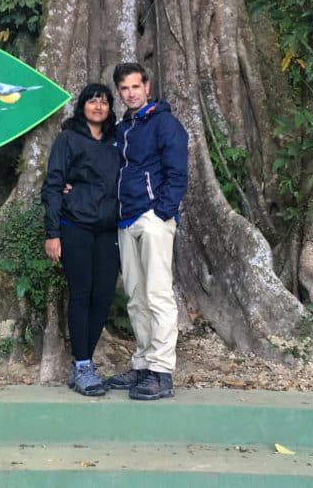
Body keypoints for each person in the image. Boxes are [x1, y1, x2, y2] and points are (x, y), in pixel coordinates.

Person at [105, 60, 188, 402]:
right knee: (136, 297)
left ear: (147, 87)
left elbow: (178, 172)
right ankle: (143, 363)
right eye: (124, 89)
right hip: (126, 220)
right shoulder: (124, 128)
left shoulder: (164, 123)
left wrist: (161, 212)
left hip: (152, 219)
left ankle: (162, 372)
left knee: (157, 294)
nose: (130, 93)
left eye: (135, 87)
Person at [41, 82, 121, 396]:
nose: (98, 107)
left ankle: (82, 365)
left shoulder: (117, 141)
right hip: (76, 226)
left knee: (103, 295)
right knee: (81, 292)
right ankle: (83, 363)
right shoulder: (68, 139)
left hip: (109, 229)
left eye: (103, 102)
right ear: (82, 106)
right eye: (92, 101)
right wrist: (53, 233)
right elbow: (52, 186)